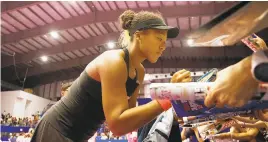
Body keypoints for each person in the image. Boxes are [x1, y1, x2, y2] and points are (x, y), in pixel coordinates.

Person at [31, 10, 181, 142]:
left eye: (165, 41)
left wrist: (169, 103)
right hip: (56, 130)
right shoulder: (114, 61)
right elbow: (117, 126)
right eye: (159, 38)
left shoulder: (139, 72)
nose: (164, 45)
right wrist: (167, 98)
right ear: (139, 35)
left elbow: (129, 122)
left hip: (77, 135)